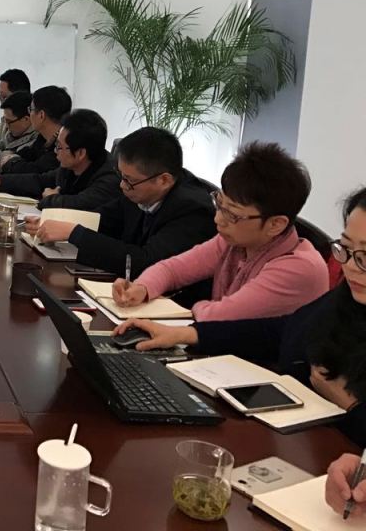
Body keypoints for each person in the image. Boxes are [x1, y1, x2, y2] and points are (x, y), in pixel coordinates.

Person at [115, 186, 366, 448]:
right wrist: (186, 334)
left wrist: (349, 406)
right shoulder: (344, 298)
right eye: (346, 248)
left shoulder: (301, 266)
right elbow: (283, 331)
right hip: (294, 430)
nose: (350, 266)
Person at [112, 141, 327, 321]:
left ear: (276, 224)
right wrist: (142, 288)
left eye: (232, 214)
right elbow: (171, 269)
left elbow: (218, 316)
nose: (218, 219)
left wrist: (192, 307)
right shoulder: (234, 241)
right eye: (219, 204)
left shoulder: (299, 268)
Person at [24, 127, 216, 277]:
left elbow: (146, 263)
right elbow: (102, 219)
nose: (122, 185)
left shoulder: (193, 210)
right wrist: (54, 221)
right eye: (121, 176)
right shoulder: (139, 187)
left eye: (129, 180)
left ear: (164, 180)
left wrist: (75, 233)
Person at [0, 109, 120, 210]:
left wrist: (52, 199)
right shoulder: (70, 166)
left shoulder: (110, 177)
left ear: (81, 153)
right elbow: (40, 181)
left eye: (60, 147)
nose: (56, 152)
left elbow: (79, 205)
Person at [0, 85, 72, 176]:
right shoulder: (43, 138)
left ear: (41, 115)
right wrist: (12, 157)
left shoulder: (64, 146)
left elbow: (35, 171)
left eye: (30, 109)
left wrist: (11, 163)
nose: (29, 114)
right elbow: (27, 154)